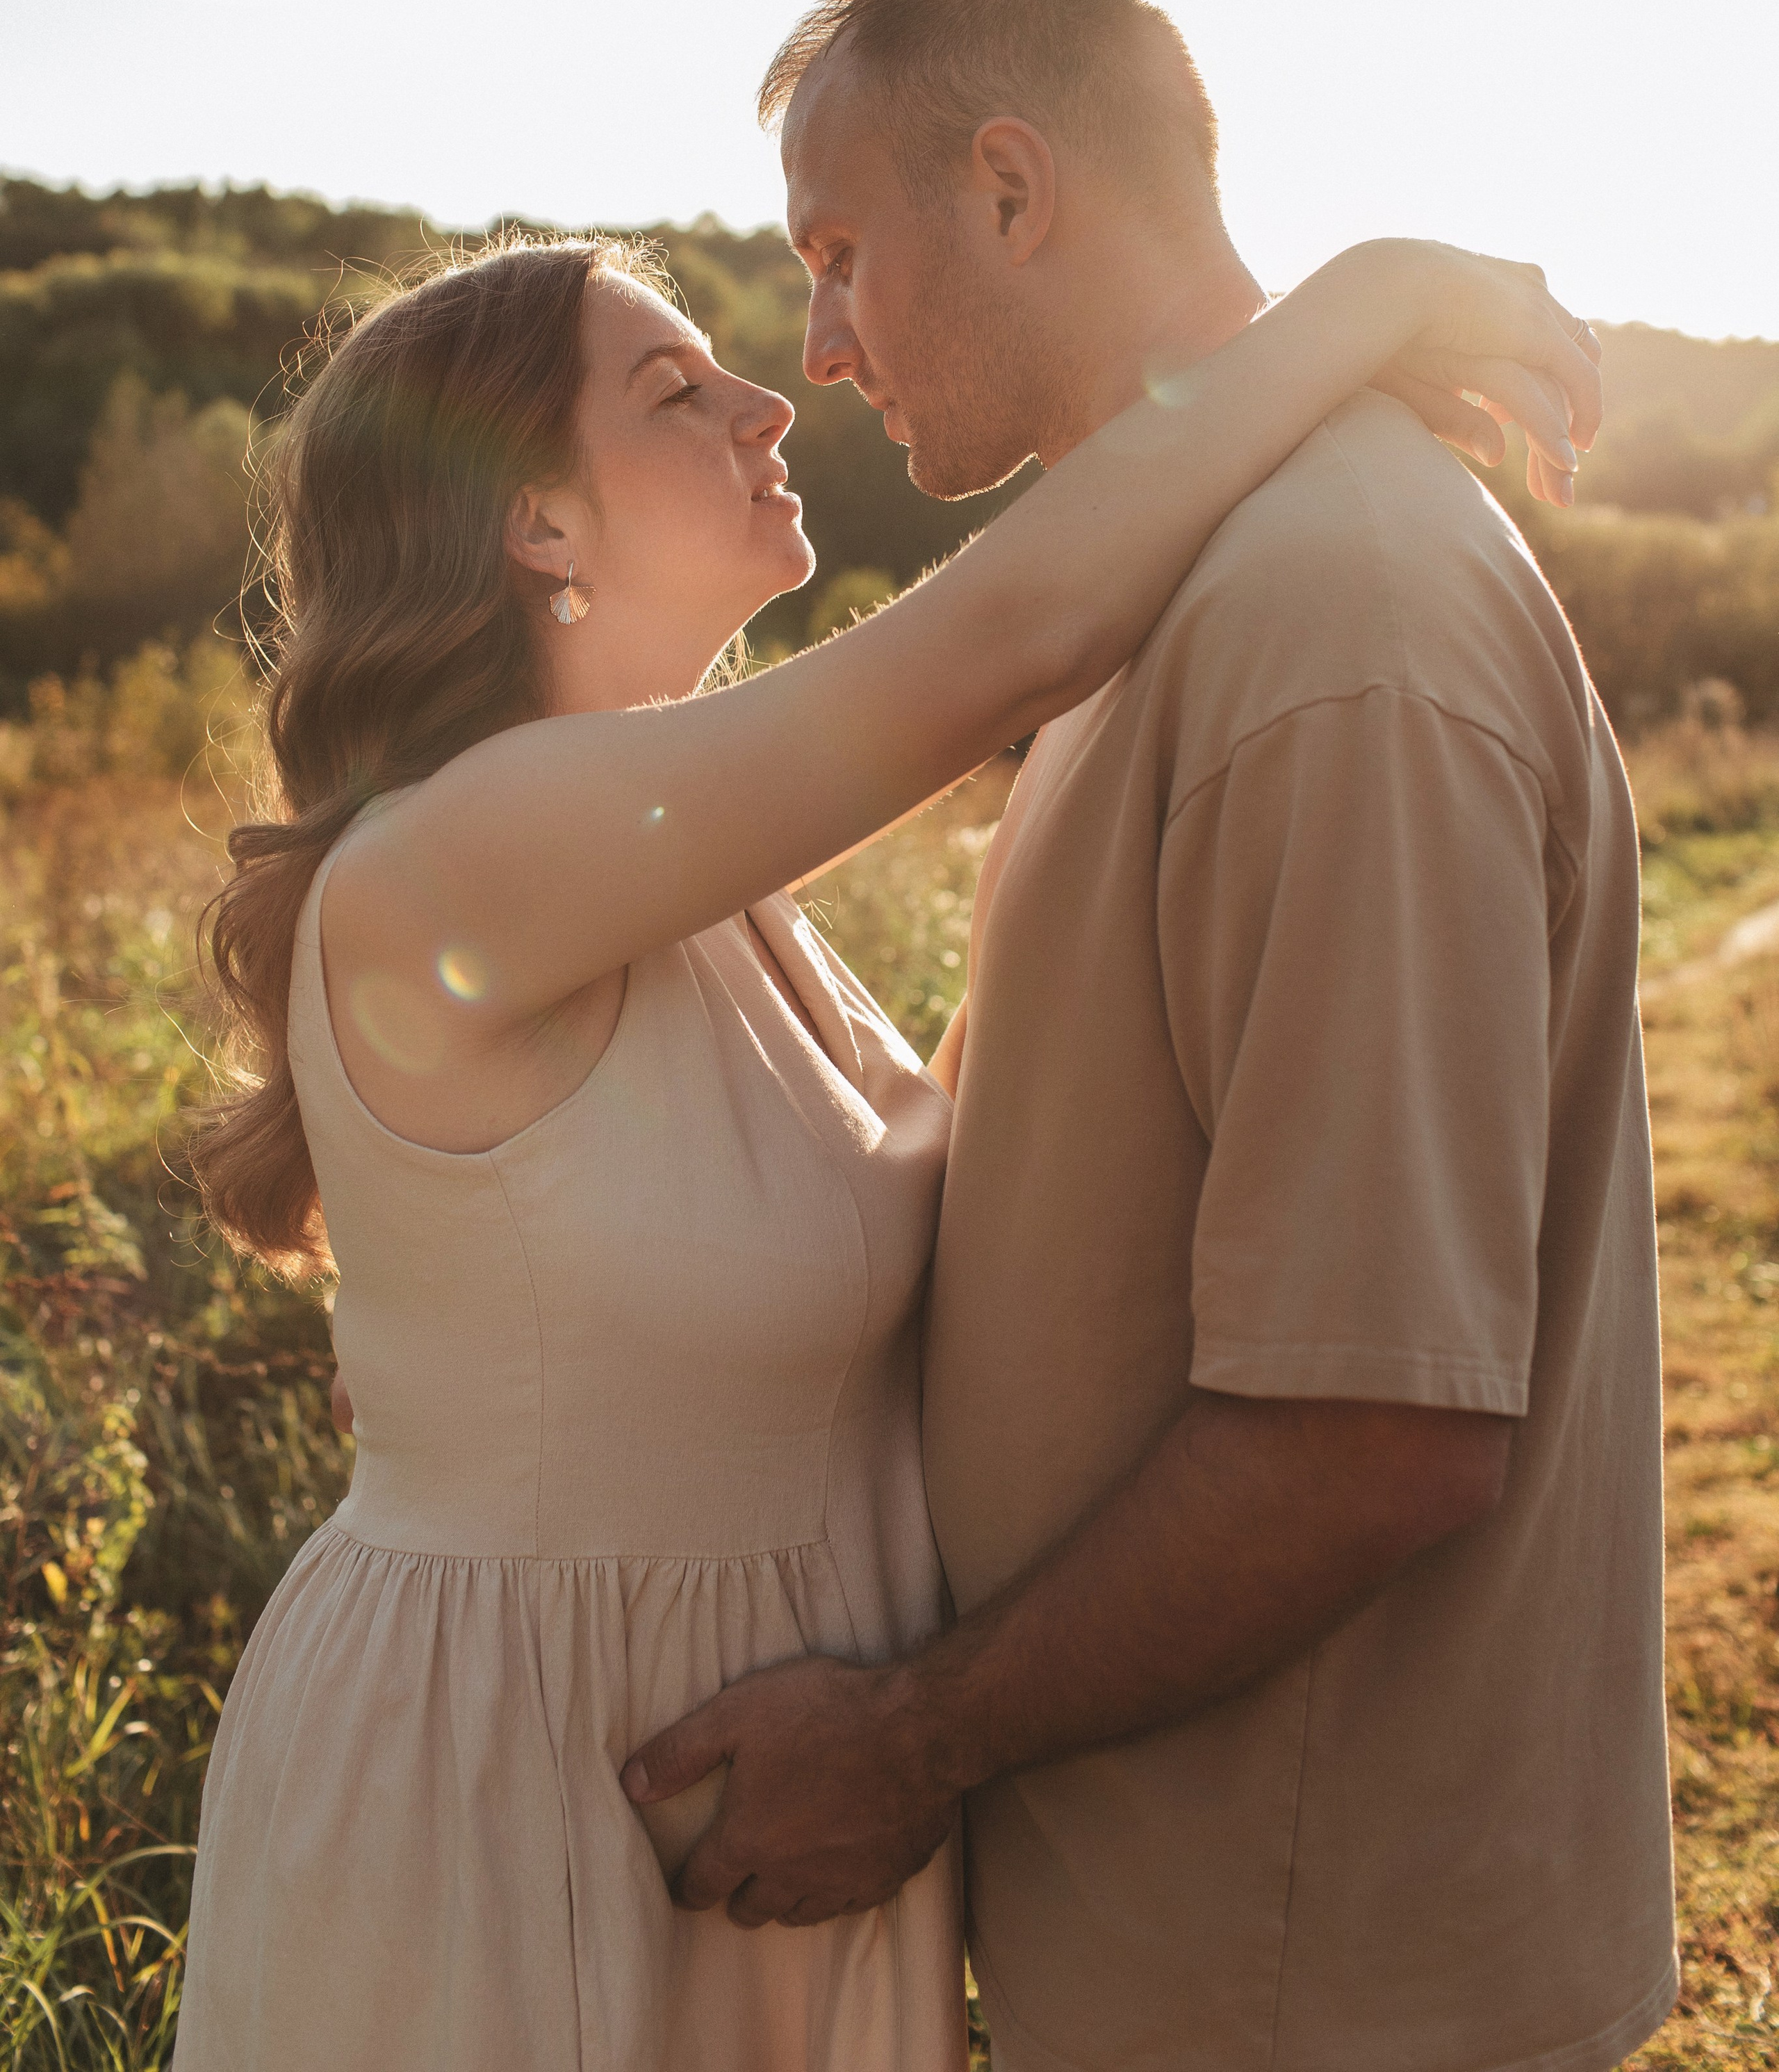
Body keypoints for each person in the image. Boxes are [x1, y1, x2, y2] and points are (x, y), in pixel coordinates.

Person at [172, 192, 1593, 2072]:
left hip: (757, 1806)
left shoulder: (723, 890)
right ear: (534, 521)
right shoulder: (459, 853)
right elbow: (1020, 631)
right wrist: (1371, 296)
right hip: (527, 1789)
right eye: (678, 389)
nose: (774, 397)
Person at [621, 0, 1677, 2072]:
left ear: (1011, 191)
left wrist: (912, 1739)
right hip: (1216, 1935)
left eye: (840, 254)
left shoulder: (1331, 622)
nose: (818, 348)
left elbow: (1370, 1426)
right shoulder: (1182, 594)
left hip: (1324, 1973)